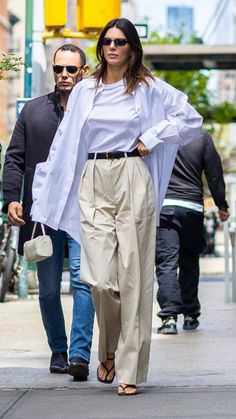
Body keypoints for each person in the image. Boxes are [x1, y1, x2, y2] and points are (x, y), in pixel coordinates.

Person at [30, 18, 202, 396]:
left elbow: (190, 118)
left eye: (120, 41)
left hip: (131, 175)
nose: (111, 47)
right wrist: (45, 191)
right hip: (92, 178)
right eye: (106, 40)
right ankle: (107, 346)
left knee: (134, 276)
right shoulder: (85, 89)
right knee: (99, 278)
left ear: (132, 48)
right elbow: (64, 143)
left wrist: (151, 137)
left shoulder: (149, 87)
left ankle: (127, 368)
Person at [2, 44, 95, 380]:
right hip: (43, 214)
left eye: (71, 69)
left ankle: (80, 355)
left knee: (84, 283)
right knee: (50, 287)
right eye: (59, 69)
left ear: (84, 71)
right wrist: (12, 198)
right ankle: (58, 349)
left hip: (84, 211)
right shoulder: (33, 112)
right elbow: (14, 157)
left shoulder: (93, 112)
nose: (64, 75)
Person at [156, 131, 229, 335]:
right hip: (192, 208)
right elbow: (214, 174)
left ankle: (169, 317)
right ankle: (190, 314)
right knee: (189, 260)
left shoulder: (160, 134)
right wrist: (221, 205)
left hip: (166, 206)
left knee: (167, 262)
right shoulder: (201, 137)